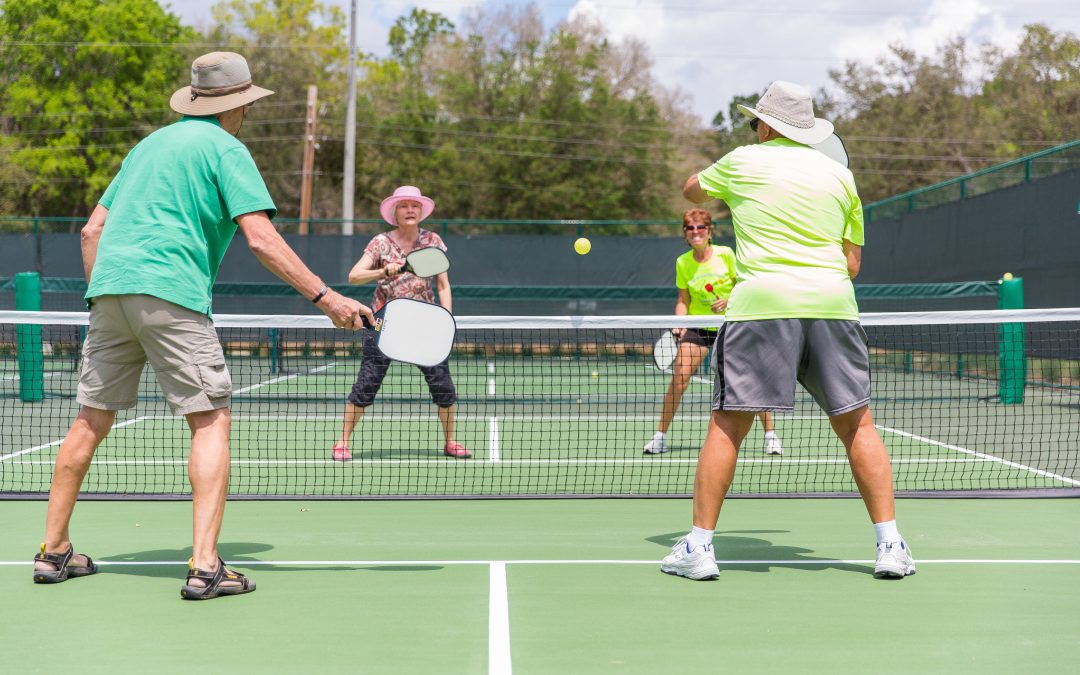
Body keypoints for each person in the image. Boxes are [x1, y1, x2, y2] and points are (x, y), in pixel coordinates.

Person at [31, 52, 371, 599]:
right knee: (210, 420)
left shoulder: (147, 146)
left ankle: (53, 551)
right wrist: (325, 296)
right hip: (172, 294)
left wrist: (102, 296)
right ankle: (206, 565)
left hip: (108, 294)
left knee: (90, 421)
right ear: (237, 106)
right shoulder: (227, 149)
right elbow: (260, 238)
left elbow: (91, 231)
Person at [660, 81, 915, 581]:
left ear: (769, 125)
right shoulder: (841, 178)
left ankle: (700, 548)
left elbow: (691, 189)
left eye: (756, 122)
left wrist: (732, 184)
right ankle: (891, 545)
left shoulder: (742, 161)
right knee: (858, 425)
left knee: (728, 424)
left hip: (762, 307)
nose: (753, 129)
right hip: (833, 306)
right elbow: (852, 263)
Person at [332, 185, 471, 460]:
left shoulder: (432, 240)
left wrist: (447, 319)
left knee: (443, 385)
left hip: (425, 325)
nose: (410, 209)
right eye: (404, 205)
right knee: (367, 383)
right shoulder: (380, 243)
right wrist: (384, 270)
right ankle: (342, 442)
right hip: (384, 324)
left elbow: (443, 285)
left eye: (415, 205)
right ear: (394, 212)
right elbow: (354, 276)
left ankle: (451, 441)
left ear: (421, 211)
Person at [644, 208, 782, 456]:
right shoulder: (682, 262)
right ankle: (660, 437)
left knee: (752, 379)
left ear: (710, 232)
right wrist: (679, 321)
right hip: (699, 326)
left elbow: (745, 285)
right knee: (679, 377)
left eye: (700, 228)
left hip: (731, 324)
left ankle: (770, 436)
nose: (695, 232)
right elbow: (682, 299)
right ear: (685, 234)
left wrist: (729, 300)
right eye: (690, 228)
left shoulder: (726, 255)